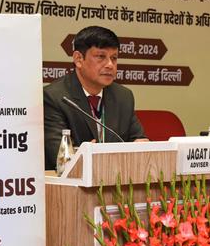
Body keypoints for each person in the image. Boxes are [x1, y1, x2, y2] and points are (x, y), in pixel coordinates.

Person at [43, 25, 147, 170]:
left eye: (114, 58)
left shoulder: (123, 96)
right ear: (78, 59)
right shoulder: (55, 97)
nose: (110, 65)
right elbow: (62, 157)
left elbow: (139, 140)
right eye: (101, 57)